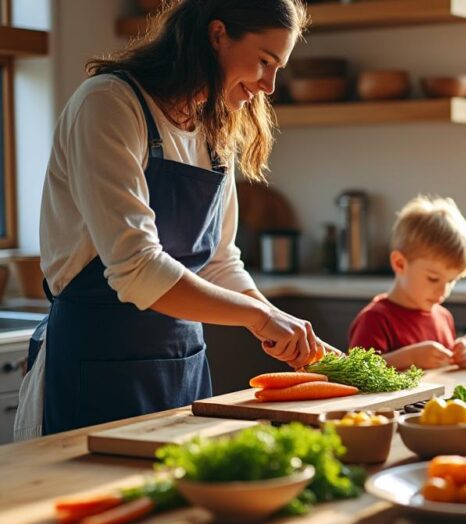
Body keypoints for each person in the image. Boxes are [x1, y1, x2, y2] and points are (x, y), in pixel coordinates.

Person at [14, 0, 324, 440]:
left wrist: (280, 323)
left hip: (184, 368)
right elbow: (137, 268)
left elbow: (218, 262)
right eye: (264, 61)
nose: (270, 85)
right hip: (95, 367)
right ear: (218, 35)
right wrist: (258, 317)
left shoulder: (217, 129)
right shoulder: (109, 104)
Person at [348, 196, 466, 370]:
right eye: (433, 278)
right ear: (400, 263)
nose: (443, 291)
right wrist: (409, 357)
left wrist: (462, 353)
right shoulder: (374, 319)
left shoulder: (444, 317)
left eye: (451, 281)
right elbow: (356, 371)